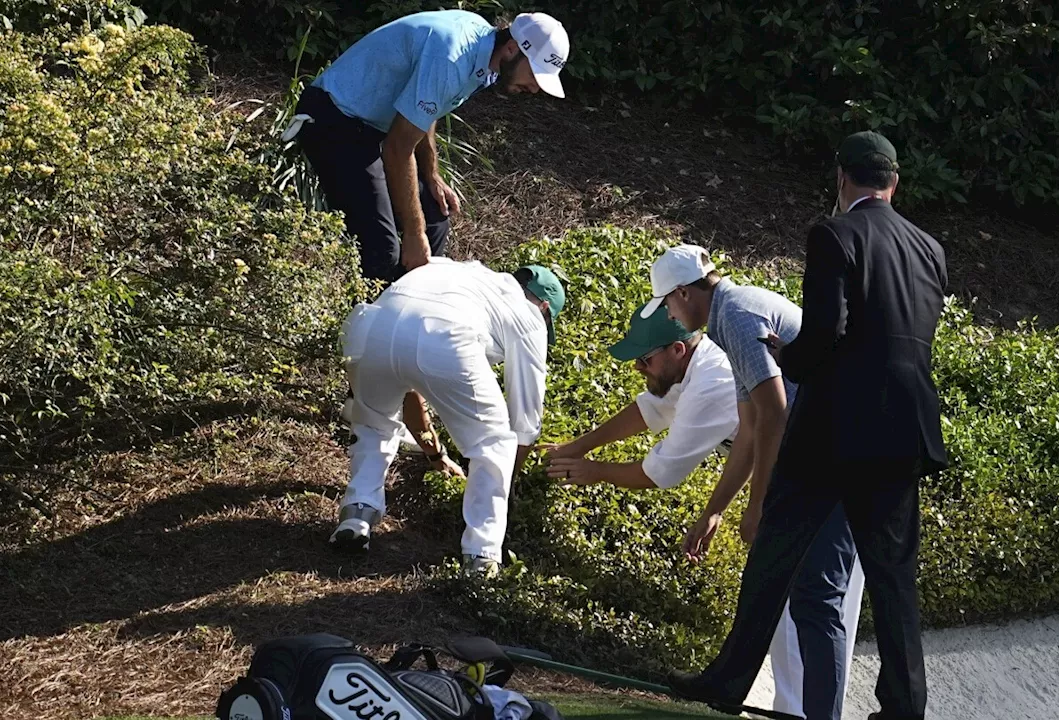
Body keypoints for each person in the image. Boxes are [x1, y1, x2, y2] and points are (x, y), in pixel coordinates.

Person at [666, 132, 949, 720]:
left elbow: (825, 338)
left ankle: (726, 682)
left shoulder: (833, 233)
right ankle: (905, 707)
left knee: (772, 557)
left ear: (843, 179)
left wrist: (781, 352)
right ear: (894, 183)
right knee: (893, 577)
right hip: (905, 431)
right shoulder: (930, 249)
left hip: (832, 432)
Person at [541, 303, 863, 719]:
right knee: (794, 609)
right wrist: (576, 448)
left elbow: (662, 472)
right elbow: (653, 410)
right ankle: (793, 709)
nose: (640, 368)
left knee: (810, 608)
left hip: (830, 479)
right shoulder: (699, 360)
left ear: (677, 349)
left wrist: (595, 471)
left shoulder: (711, 381)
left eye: (645, 359)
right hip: (803, 478)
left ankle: (807, 714)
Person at [638, 246, 865, 720]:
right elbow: (749, 429)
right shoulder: (729, 318)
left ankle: (815, 714)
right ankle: (725, 685)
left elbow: (774, 412)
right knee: (771, 577)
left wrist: (758, 502)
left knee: (817, 597)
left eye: (668, 306)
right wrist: (715, 510)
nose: (672, 317)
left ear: (684, 292)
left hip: (840, 454)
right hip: (823, 451)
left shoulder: (737, 316)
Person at [284, 9, 570, 282]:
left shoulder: (486, 56)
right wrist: (413, 233)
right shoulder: (453, 57)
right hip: (334, 119)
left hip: (372, 129)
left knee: (435, 216)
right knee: (383, 252)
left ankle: (409, 309)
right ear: (511, 49)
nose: (534, 88)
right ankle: (364, 322)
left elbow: (425, 109)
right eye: (534, 76)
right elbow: (397, 148)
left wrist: (430, 174)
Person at [330, 257, 566, 578]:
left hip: (370, 328)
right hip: (444, 335)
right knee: (494, 443)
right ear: (545, 309)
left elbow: (408, 372)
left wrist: (436, 455)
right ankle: (481, 557)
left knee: (374, 423)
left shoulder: (455, 270)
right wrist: (506, 484)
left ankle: (356, 515)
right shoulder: (529, 316)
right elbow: (524, 423)